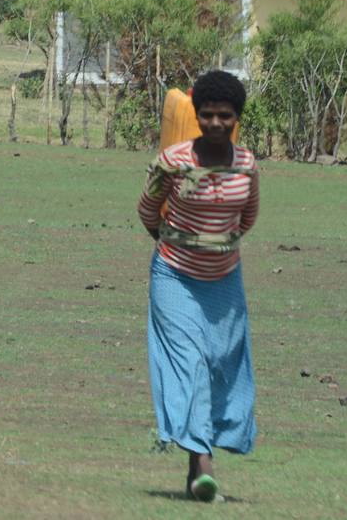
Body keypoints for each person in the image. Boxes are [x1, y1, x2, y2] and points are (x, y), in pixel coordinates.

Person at [137, 69, 260, 504]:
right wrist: (173, 245)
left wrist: (219, 247)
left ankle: (195, 466)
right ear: (196, 113)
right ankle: (205, 466)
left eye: (224, 116)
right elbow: (147, 209)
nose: (214, 124)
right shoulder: (171, 161)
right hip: (174, 276)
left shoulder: (246, 163)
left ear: (236, 118)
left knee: (219, 365)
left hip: (225, 281)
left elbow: (248, 216)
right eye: (206, 115)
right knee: (188, 363)